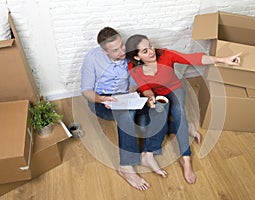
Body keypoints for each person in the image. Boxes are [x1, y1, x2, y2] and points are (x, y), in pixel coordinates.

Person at [125, 34, 241, 184]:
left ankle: (185, 158)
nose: (152, 51)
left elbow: (194, 58)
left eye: (150, 46)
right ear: (137, 57)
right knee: (144, 125)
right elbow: (145, 88)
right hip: (157, 96)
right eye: (145, 51)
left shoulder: (166, 55)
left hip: (174, 89)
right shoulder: (133, 68)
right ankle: (187, 128)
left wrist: (223, 59)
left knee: (179, 113)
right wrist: (150, 98)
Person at [81, 28, 168, 191]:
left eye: (122, 46)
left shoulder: (129, 54)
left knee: (159, 108)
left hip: (126, 97)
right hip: (101, 101)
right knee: (126, 115)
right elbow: (86, 91)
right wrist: (101, 99)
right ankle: (126, 166)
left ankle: (147, 155)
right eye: (115, 50)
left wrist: (133, 91)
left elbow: (136, 80)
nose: (122, 51)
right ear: (104, 51)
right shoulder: (92, 58)